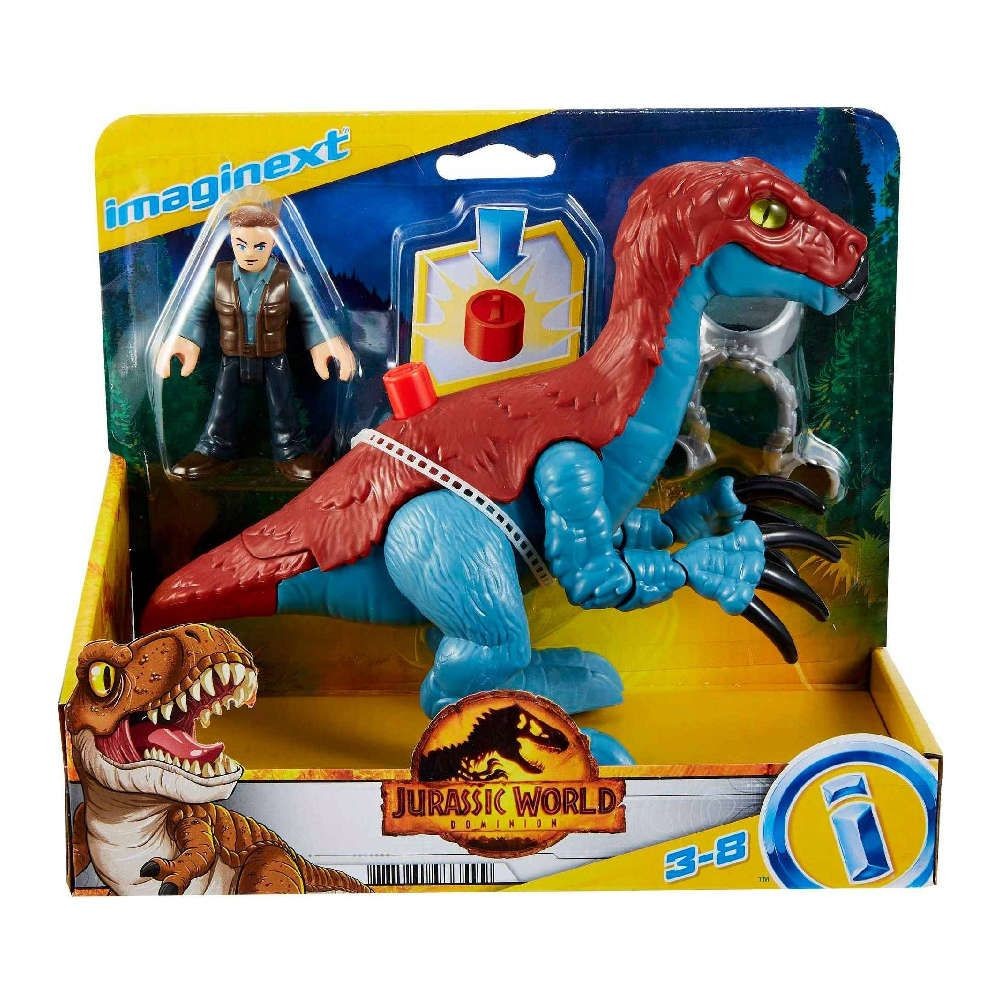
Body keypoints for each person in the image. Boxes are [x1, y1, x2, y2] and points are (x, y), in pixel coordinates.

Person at [155, 204, 356, 483]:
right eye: (242, 245)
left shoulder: (288, 279)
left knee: (283, 405)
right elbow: (195, 312)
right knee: (222, 404)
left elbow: (313, 314)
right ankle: (214, 450)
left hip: (274, 358)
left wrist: (327, 340)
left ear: (273, 242)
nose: (250, 253)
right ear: (231, 240)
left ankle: (291, 452)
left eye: (259, 245)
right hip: (232, 357)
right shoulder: (217, 278)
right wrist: (184, 338)